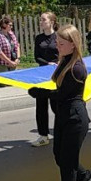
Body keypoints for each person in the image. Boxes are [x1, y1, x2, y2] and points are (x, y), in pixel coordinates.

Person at [28, 25, 91, 181]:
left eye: (61, 43)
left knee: (67, 163)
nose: (57, 46)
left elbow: (62, 94)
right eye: (57, 43)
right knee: (60, 157)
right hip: (62, 116)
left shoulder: (77, 67)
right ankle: (87, 177)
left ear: (72, 44)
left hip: (75, 119)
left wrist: (41, 93)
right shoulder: (65, 61)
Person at [31, 12, 59, 147]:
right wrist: (47, 64)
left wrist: (58, 63)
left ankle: (62, 130)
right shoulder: (39, 38)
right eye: (40, 20)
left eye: (43, 19)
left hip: (56, 75)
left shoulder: (59, 36)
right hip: (42, 75)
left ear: (52, 21)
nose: (41, 22)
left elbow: (64, 53)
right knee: (41, 105)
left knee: (56, 104)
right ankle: (43, 135)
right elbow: (36, 57)